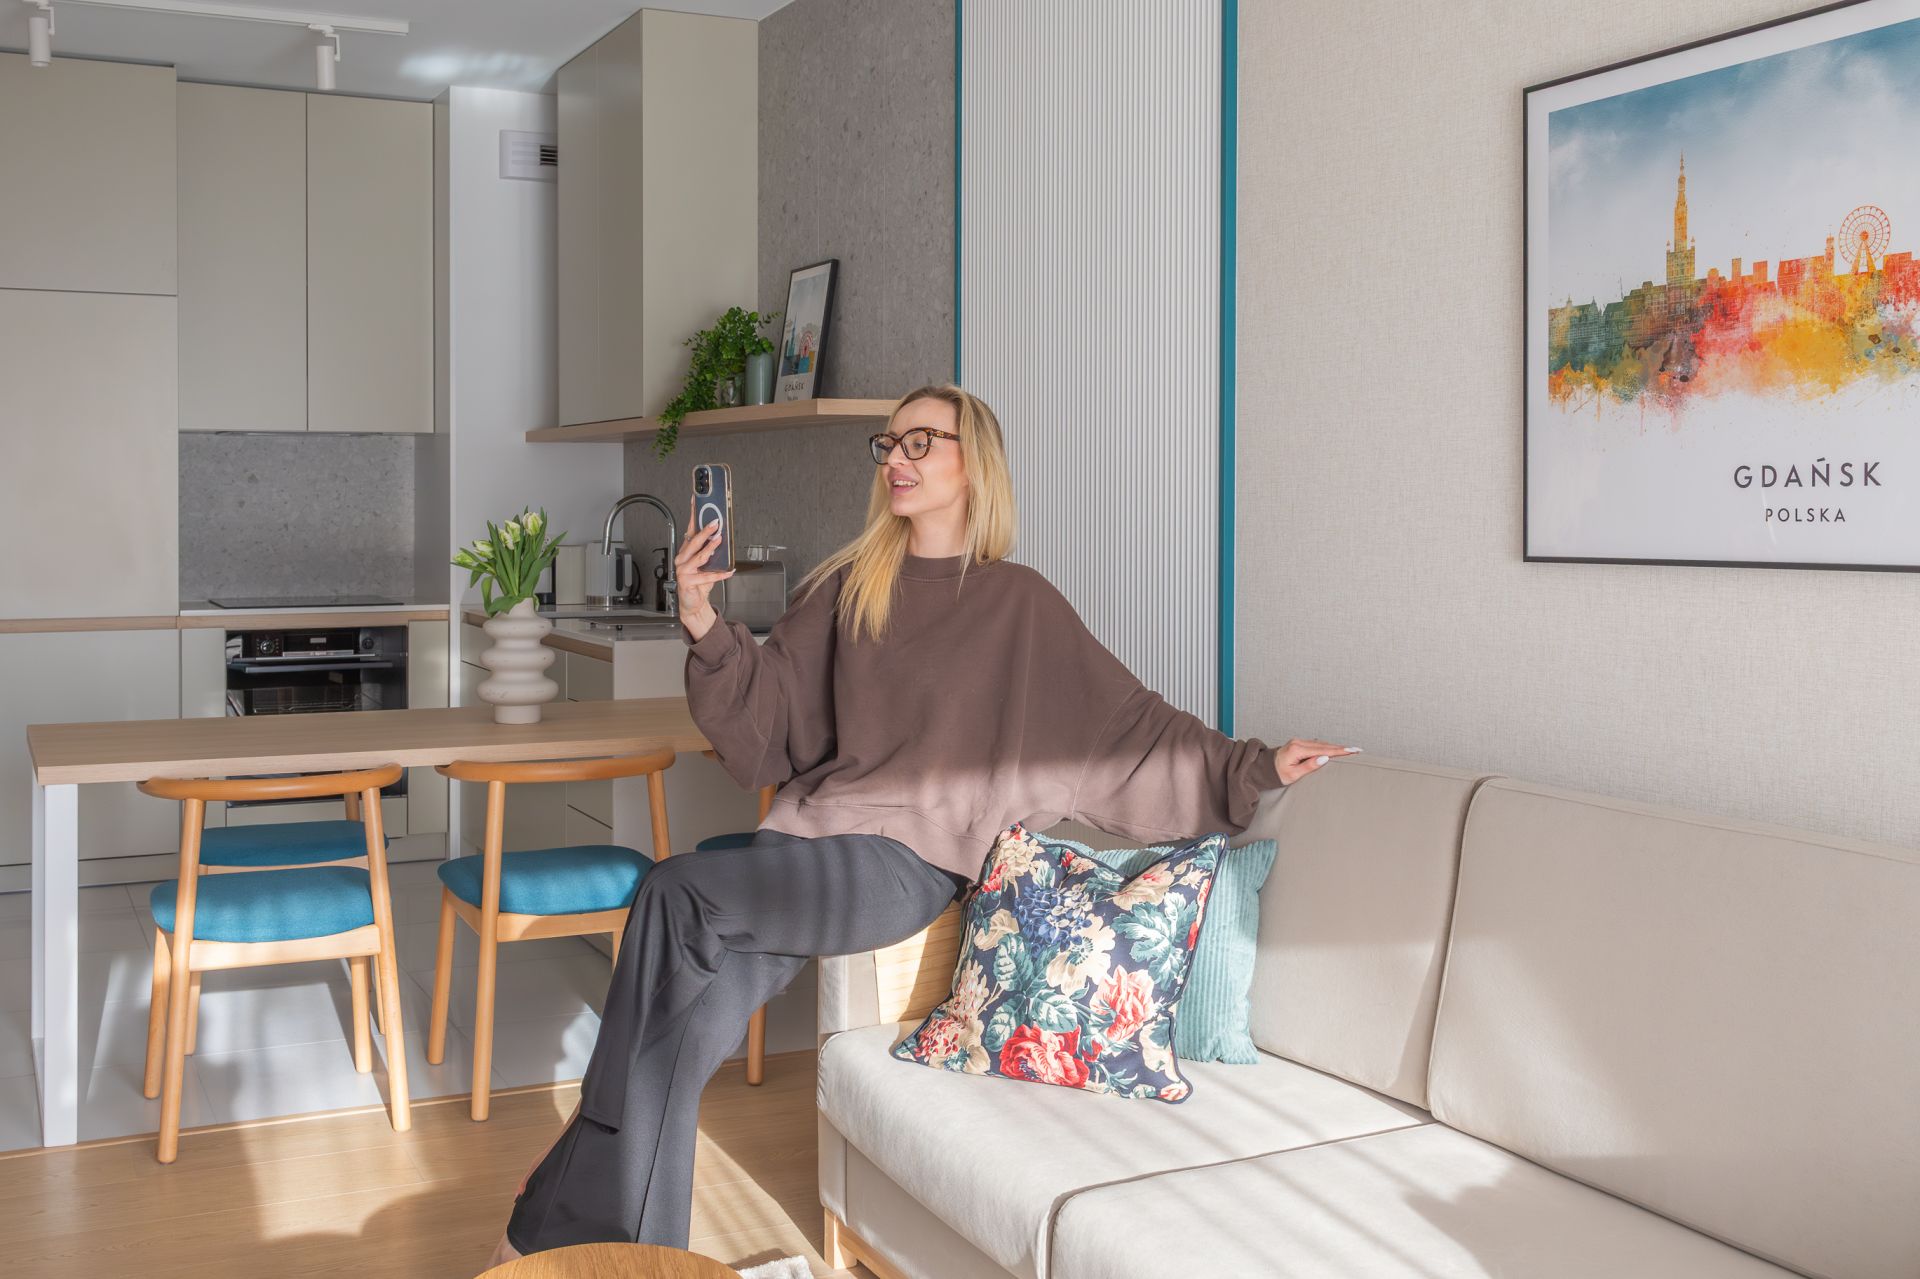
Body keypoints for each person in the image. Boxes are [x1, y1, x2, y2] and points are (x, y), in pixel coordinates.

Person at [489, 383, 1358, 1264]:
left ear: (972, 464)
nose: (896, 460)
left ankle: (576, 1171)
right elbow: (766, 725)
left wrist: (1255, 765)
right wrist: (703, 622)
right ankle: (602, 1247)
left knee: (674, 890)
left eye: (920, 443)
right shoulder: (847, 587)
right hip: (800, 845)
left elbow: (1130, 727)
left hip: (902, 867)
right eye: (888, 444)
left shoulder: (1020, 605)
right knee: (675, 1041)